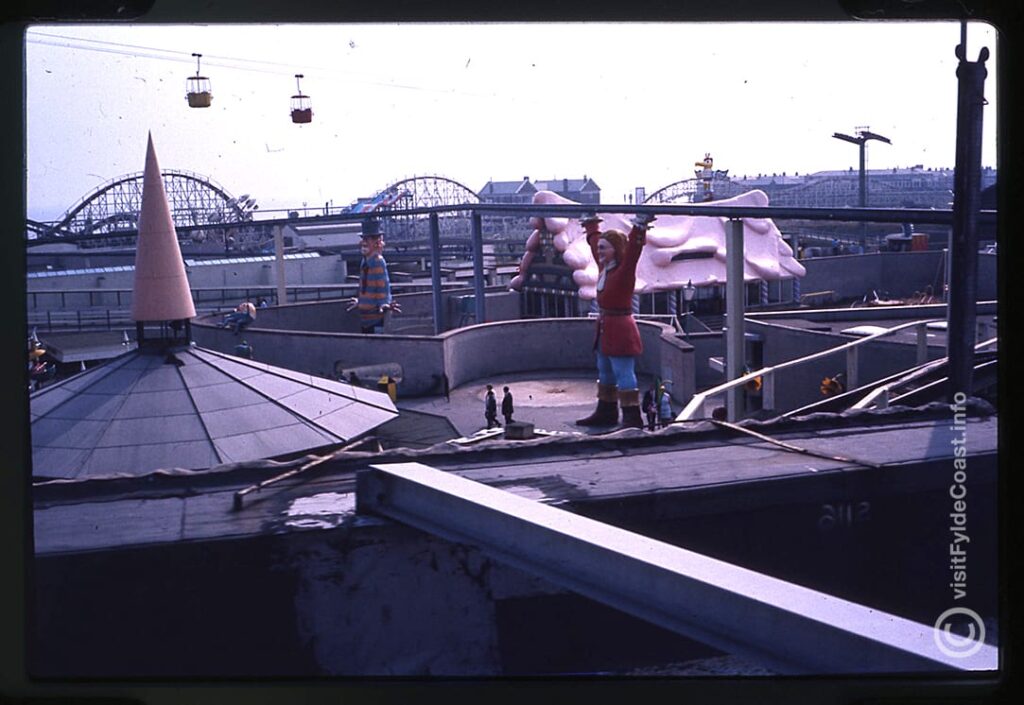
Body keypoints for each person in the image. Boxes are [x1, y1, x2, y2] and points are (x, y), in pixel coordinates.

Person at [575, 212, 654, 429]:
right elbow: (593, 244)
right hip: (605, 327)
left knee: (623, 372)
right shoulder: (605, 270)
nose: (599, 252)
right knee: (605, 370)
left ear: (615, 250)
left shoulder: (624, 271)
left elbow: (633, 253)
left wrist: (639, 228)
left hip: (620, 328)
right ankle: (606, 412)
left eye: (604, 248)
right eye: (599, 248)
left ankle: (631, 417)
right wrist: (591, 226)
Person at [347, 218, 401, 334]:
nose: (364, 242)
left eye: (368, 239)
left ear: (377, 242)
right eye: (363, 238)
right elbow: (365, 287)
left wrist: (384, 302)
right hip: (365, 318)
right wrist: (361, 302)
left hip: (376, 318)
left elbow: (383, 285)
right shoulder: (365, 261)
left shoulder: (378, 261)